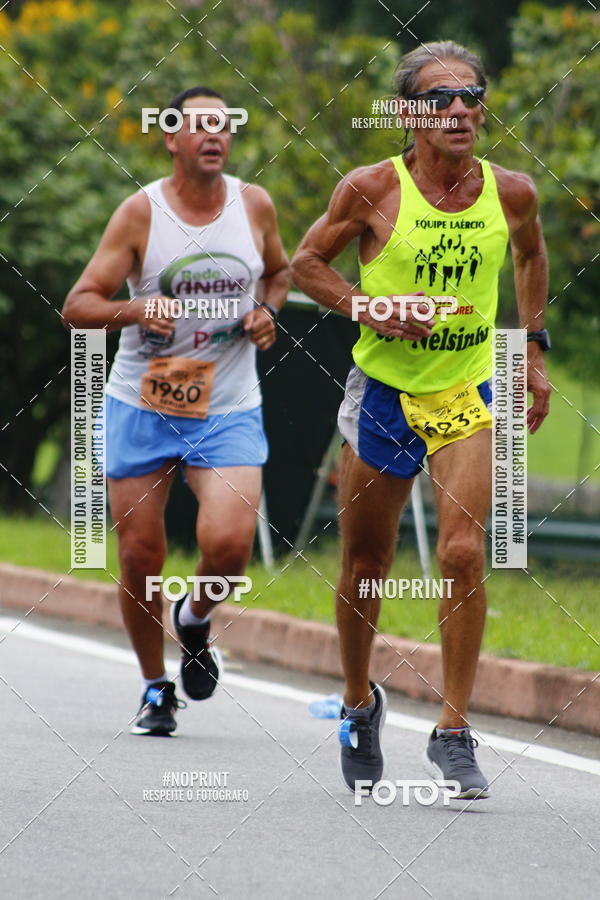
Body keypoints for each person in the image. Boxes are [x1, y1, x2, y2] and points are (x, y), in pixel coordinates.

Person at [291, 42, 550, 798]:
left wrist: (530, 351)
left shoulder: (512, 193)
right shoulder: (372, 188)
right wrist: (371, 306)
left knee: (465, 554)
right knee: (366, 566)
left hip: (467, 387)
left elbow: (532, 257)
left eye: (472, 94)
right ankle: (357, 703)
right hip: (382, 389)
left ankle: (453, 729)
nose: (462, 109)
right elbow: (307, 264)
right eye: (441, 98)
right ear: (408, 113)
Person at [63, 86, 289, 735]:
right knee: (140, 556)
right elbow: (78, 304)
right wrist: (135, 309)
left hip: (228, 401)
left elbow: (280, 271)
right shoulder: (140, 214)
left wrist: (267, 311)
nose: (215, 135)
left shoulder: (255, 205)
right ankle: (155, 687)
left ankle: (193, 619)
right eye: (201, 126)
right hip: (144, 400)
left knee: (229, 546)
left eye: (224, 126)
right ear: (171, 138)